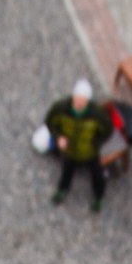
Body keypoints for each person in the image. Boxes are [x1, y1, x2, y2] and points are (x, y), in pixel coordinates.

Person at [46, 80, 110, 211]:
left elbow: (107, 130)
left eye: (83, 100)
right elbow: (50, 122)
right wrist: (59, 137)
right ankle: (62, 191)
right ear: (73, 96)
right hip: (70, 152)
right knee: (66, 172)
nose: (79, 103)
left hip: (89, 153)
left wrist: (96, 143)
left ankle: (98, 198)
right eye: (77, 99)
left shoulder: (97, 115)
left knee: (97, 176)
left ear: (88, 101)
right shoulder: (60, 109)